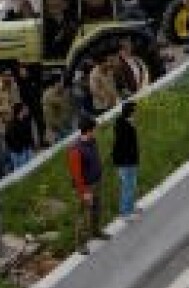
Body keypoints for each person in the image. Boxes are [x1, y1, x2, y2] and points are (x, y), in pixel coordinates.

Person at [68, 117, 109, 255]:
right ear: (89, 130)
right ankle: (80, 244)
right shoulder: (75, 149)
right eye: (95, 128)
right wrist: (84, 192)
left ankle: (96, 232)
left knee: (97, 209)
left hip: (96, 182)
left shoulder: (92, 141)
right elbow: (76, 175)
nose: (96, 130)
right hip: (85, 187)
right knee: (82, 215)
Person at [112, 101, 140, 218]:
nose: (137, 113)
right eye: (135, 110)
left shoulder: (125, 123)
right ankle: (125, 212)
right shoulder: (124, 126)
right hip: (126, 161)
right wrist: (132, 126)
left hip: (129, 160)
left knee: (131, 185)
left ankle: (131, 207)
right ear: (131, 112)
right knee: (127, 186)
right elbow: (125, 145)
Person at [5, 102, 35, 172]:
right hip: (18, 152)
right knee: (22, 171)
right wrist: (19, 148)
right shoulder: (11, 125)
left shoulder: (26, 120)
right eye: (24, 108)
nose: (27, 109)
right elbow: (10, 139)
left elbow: (29, 135)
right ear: (20, 111)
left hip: (27, 149)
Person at [42, 79, 72, 144]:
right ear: (55, 84)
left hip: (57, 120)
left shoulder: (52, 93)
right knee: (62, 136)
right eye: (59, 84)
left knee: (62, 135)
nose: (60, 86)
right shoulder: (50, 94)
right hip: (55, 120)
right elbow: (61, 103)